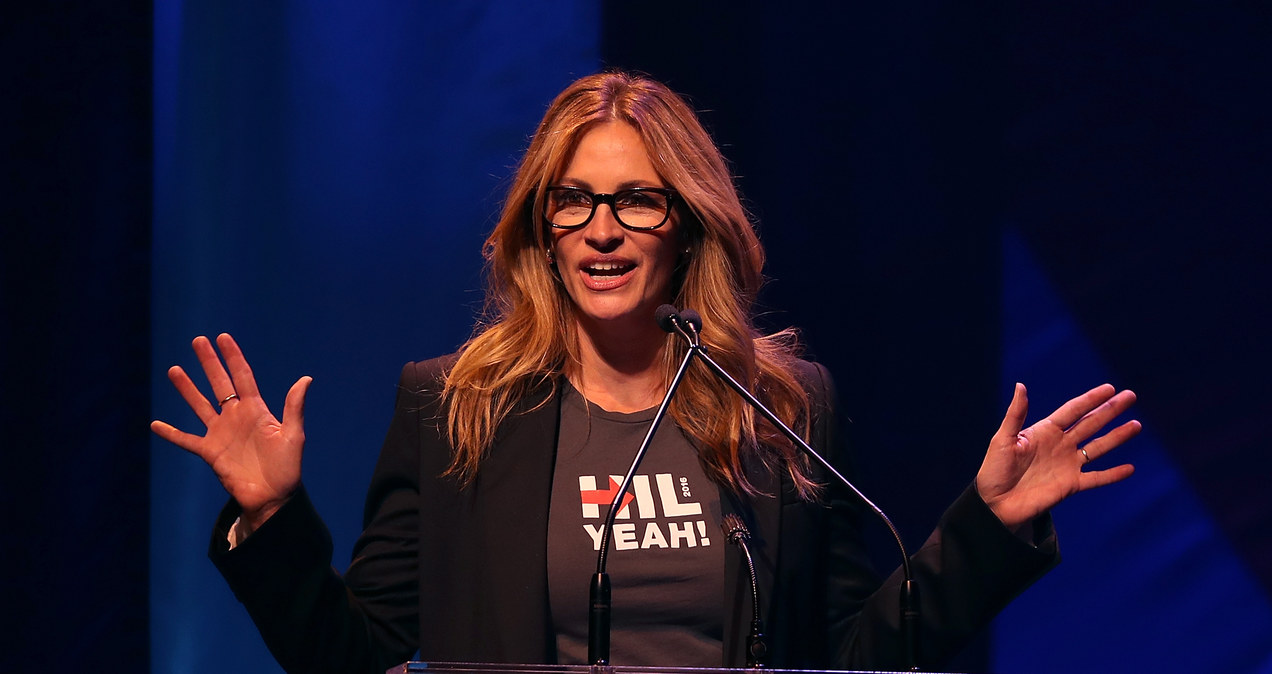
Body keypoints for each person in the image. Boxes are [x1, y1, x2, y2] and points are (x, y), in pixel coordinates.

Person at [151, 71, 1141, 673]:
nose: (601, 229)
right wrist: (270, 520)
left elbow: (848, 656)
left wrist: (989, 526)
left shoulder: (779, 407)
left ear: (688, 226)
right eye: (572, 201)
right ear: (542, 226)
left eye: (636, 200)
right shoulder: (457, 406)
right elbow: (357, 654)